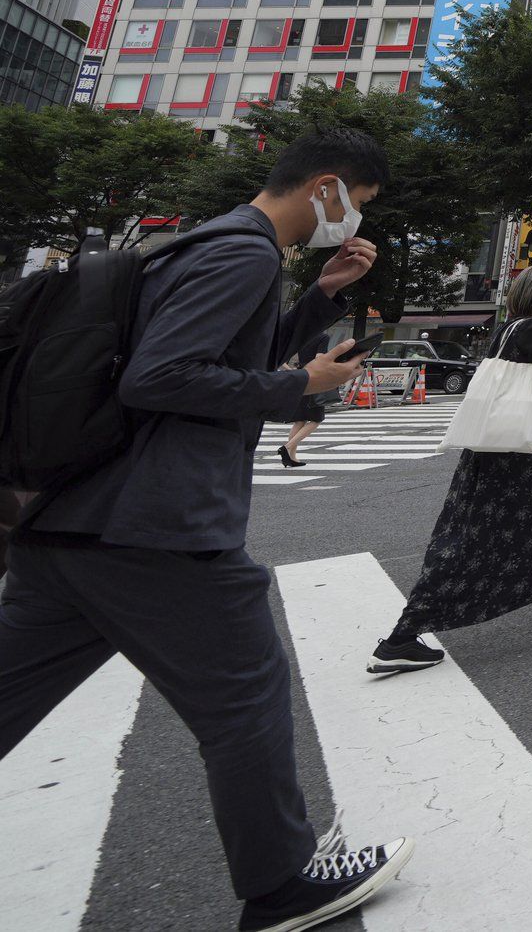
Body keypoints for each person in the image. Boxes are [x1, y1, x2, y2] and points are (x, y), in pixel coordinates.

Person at [0, 128, 414, 931]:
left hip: (74, 523)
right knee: (245, 697)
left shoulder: (213, 243)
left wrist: (318, 301)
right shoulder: (244, 253)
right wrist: (300, 387)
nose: (353, 223)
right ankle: (284, 885)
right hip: (158, 526)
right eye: (357, 205)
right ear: (326, 188)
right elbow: (163, 377)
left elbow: (214, 354)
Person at [370, 267, 532, 676]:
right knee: (470, 538)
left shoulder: (507, 328)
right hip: (516, 454)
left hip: (492, 449)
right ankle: (400, 637)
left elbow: (519, 391)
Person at [276, 331, 331, 468]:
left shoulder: (300, 337)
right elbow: (319, 359)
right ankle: (287, 447)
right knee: (316, 419)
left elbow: (280, 360)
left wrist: (293, 372)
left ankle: (291, 457)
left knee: (300, 419)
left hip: (299, 379)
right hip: (314, 379)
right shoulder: (323, 337)